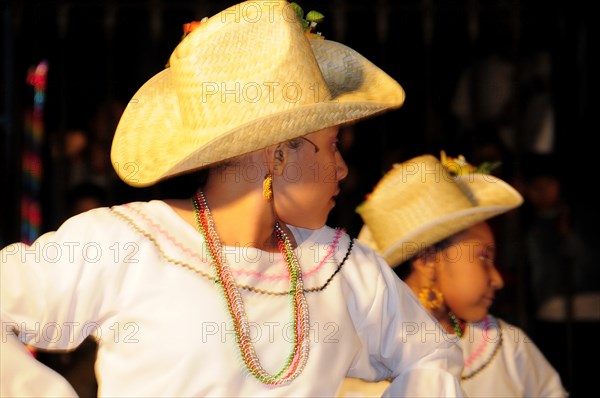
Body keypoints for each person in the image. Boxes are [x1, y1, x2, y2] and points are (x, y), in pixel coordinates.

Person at [0, 2, 465, 396]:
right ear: (278, 154)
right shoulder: (129, 244)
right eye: (332, 145)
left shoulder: (343, 267)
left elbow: (433, 355)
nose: (342, 169)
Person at [341, 153, 567, 397]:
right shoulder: (362, 365)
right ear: (428, 260)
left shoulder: (505, 346)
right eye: (483, 258)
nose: (498, 279)